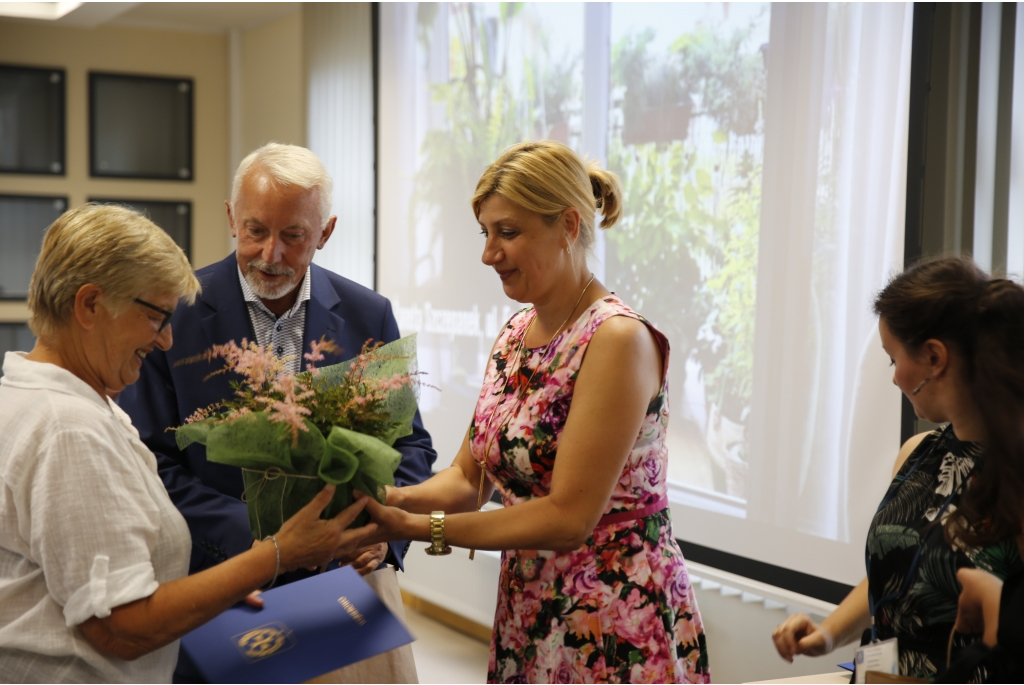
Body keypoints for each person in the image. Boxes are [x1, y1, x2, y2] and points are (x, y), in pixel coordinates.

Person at [357, 140, 710, 683]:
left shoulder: (617, 339)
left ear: (568, 225)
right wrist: (383, 500)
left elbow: (568, 517)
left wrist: (418, 526)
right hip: (530, 607)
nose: (488, 253)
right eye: (486, 232)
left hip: (611, 619)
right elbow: (466, 477)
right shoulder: (515, 335)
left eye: (508, 232)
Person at [0, 204, 374, 682]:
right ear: (90, 304)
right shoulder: (68, 428)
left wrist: (214, 590)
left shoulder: (42, 396)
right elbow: (122, 628)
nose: (167, 340)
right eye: (157, 316)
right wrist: (277, 554)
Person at [117, 143, 436, 682]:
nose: (270, 255)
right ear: (230, 219)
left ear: (325, 232)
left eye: (293, 236)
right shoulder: (176, 314)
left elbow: (409, 448)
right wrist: (270, 542)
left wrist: (386, 533)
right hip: (218, 585)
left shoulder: (367, 314)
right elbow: (149, 460)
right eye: (255, 230)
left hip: (344, 591)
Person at [772, 256, 1024, 679]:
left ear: (934, 357)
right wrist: (827, 635)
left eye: (893, 359)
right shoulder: (916, 453)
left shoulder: (1015, 474)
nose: (893, 378)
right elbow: (894, 574)